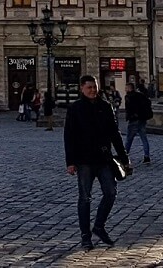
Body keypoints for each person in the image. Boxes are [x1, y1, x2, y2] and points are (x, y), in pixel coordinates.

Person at [64, 75, 126, 250]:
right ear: (82, 88)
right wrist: (70, 161)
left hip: (104, 159)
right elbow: (69, 136)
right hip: (84, 161)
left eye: (95, 87)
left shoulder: (105, 107)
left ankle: (99, 225)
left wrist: (124, 157)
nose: (93, 90)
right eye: (89, 87)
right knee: (85, 198)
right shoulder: (75, 108)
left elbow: (115, 133)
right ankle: (85, 235)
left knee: (111, 193)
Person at [124, 81, 153, 165]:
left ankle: (124, 157)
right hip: (142, 119)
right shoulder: (141, 95)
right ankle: (146, 156)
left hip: (134, 120)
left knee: (129, 139)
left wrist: (130, 116)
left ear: (130, 88)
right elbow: (148, 102)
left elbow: (129, 109)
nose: (125, 89)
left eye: (126, 87)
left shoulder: (129, 96)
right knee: (144, 139)